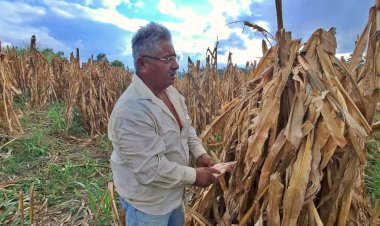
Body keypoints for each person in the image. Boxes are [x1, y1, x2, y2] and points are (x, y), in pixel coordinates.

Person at [108, 22, 221, 226]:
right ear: (143, 64)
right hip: (147, 207)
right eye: (167, 59)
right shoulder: (131, 110)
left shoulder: (171, 93)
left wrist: (200, 154)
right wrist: (195, 176)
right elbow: (150, 169)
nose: (176, 65)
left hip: (173, 197)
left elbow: (187, 128)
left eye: (174, 57)